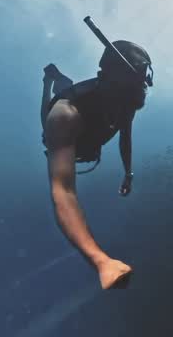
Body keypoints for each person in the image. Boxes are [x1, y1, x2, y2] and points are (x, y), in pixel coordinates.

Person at [41, 36, 153, 291]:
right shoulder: (65, 115)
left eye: (141, 83)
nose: (139, 90)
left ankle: (60, 79)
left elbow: (126, 135)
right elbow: (63, 192)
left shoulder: (126, 101)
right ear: (107, 77)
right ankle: (48, 82)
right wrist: (100, 261)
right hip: (60, 129)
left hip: (88, 136)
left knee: (67, 84)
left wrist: (128, 172)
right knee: (50, 108)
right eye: (132, 83)